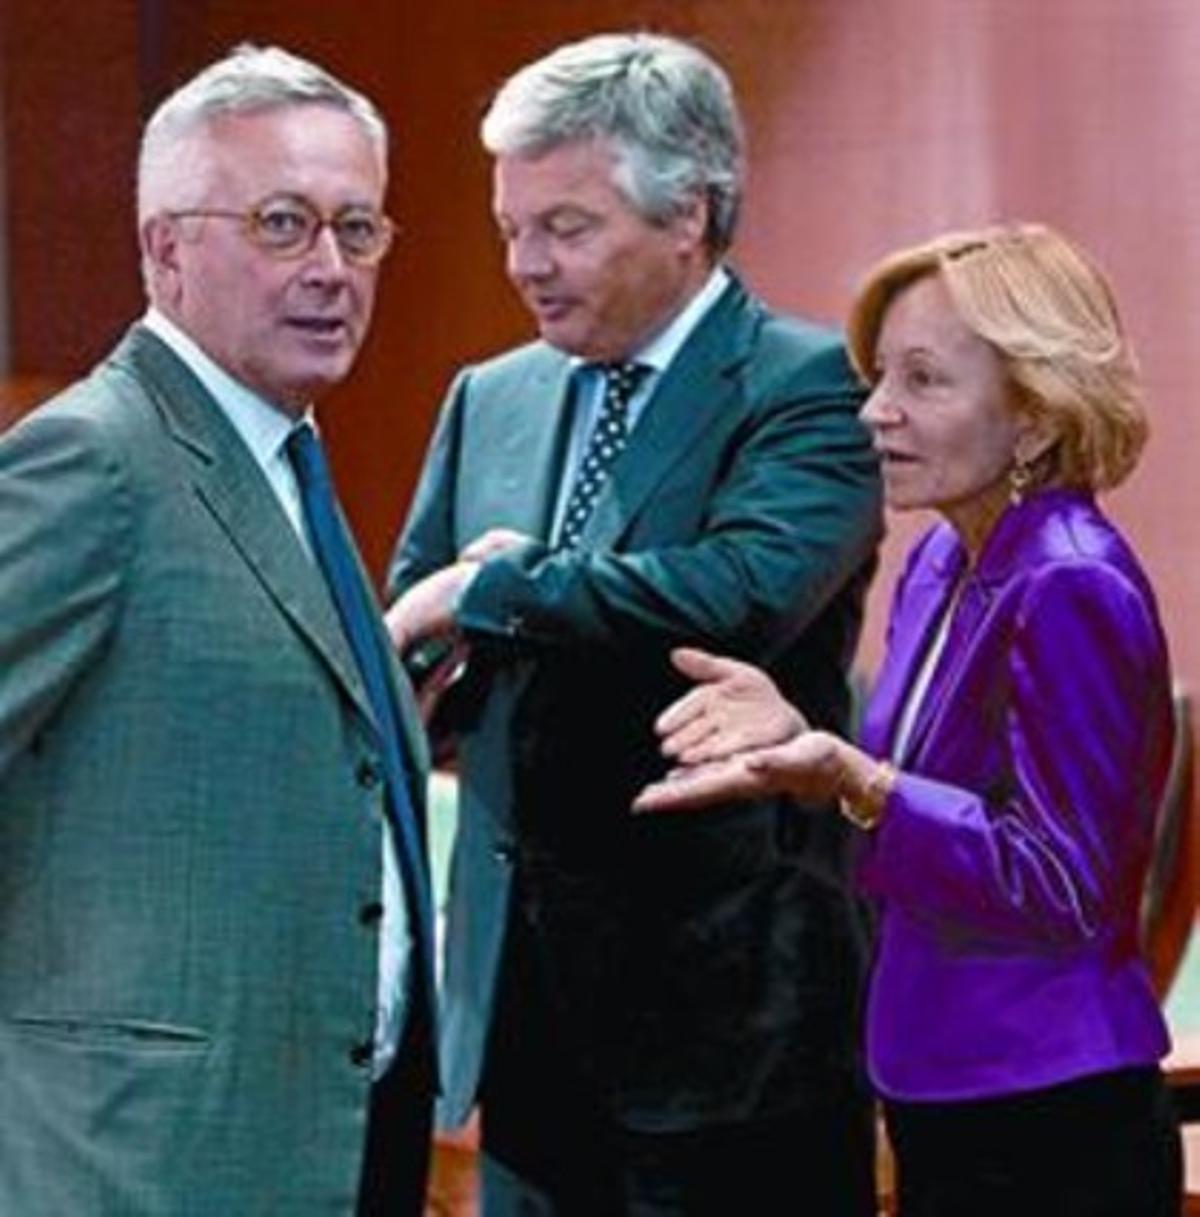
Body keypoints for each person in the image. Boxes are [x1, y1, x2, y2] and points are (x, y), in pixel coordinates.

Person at [387, 30, 882, 1217]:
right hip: (520, 1016)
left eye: (567, 227)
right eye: (513, 226)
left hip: (729, 1026)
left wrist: (497, 587)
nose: (525, 264)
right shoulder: (488, 395)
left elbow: (736, 592)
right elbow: (418, 612)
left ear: (691, 214)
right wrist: (425, 656)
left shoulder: (808, 383)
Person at [636, 222, 1184, 1216]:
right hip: (939, 1083)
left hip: (1052, 1111)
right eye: (877, 375)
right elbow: (907, 813)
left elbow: (1065, 883)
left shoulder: (1070, 580)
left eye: (923, 380)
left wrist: (861, 780)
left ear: (1034, 416)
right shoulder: (938, 560)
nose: (875, 412)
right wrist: (799, 737)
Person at [0, 45, 437, 1216]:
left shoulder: (285, 453)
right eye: (285, 224)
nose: (331, 269)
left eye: (359, 229)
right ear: (166, 247)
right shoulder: (95, 457)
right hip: (135, 1161)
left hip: (319, 1144)